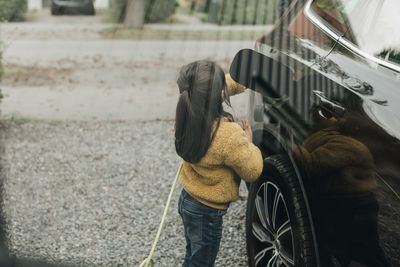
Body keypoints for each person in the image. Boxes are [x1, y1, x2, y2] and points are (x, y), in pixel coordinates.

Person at [175, 60, 263, 267]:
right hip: (207, 211)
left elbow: (215, 89)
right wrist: (249, 144)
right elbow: (252, 170)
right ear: (220, 95)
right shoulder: (228, 136)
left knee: (194, 252)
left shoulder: (187, 112)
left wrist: (245, 79)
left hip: (189, 199)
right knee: (202, 262)